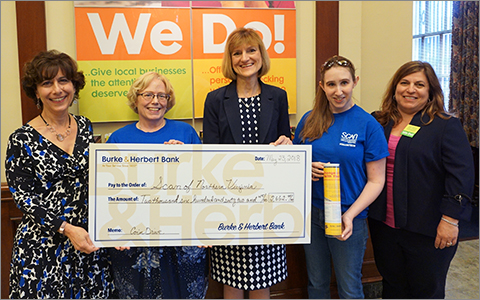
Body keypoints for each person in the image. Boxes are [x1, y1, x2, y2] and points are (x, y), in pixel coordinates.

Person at [4, 50, 115, 298]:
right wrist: (66, 228)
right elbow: (25, 199)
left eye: (63, 80)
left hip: (87, 245)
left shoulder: (85, 125)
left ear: (74, 86)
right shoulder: (21, 139)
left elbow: (101, 175)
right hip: (43, 247)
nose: (57, 89)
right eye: (47, 83)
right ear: (36, 91)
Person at [368, 61, 474, 299]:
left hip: (429, 228)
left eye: (419, 84)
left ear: (430, 92)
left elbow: (462, 175)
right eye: (404, 83)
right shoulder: (379, 122)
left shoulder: (445, 125)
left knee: (425, 291)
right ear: (395, 89)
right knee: (393, 287)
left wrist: (450, 219)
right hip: (384, 225)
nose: (410, 89)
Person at [203, 27, 290, 299]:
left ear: (261, 55)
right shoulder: (216, 99)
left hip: (267, 204)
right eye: (237, 52)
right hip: (228, 203)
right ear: (230, 60)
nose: (244, 58)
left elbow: (284, 139)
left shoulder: (278, 96)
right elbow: (210, 155)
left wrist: (287, 143)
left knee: (262, 278)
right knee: (232, 279)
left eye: (251, 50)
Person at [292, 55, 389, 299]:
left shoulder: (368, 125)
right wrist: (305, 166)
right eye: (331, 84)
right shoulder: (308, 119)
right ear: (322, 86)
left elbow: (377, 181)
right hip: (312, 214)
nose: (338, 91)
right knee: (316, 283)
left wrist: (351, 214)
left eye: (344, 83)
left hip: (349, 217)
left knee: (349, 287)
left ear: (355, 82)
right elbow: (293, 165)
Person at [106, 71, 209, 299]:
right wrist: (115, 232)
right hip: (134, 240)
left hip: (183, 239)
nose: (155, 101)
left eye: (162, 96)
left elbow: (205, 183)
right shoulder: (118, 139)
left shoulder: (185, 133)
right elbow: (109, 193)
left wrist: (184, 160)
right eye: (148, 95)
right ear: (136, 99)